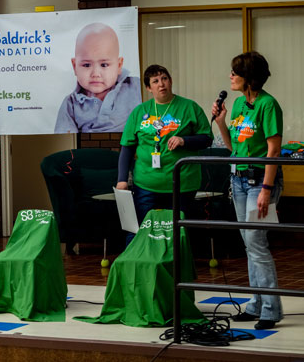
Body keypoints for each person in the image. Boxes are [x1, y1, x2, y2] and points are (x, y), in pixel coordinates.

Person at [212, 51, 283, 330]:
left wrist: (266, 188)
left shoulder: (268, 104)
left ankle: (270, 308)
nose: (230, 76)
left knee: (257, 243)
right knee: (249, 245)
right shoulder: (240, 104)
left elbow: (274, 150)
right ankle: (255, 304)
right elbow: (233, 148)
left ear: (249, 77)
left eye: (235, 72)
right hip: (238, 180)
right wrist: (220, 122)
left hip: (260, 182)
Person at [117, 64, 212, 236]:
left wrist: (185, 140)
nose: (161, 84)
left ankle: (177, 263)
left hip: (182, 185)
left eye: (164, 79)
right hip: (146, 184)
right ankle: (139, 263)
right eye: (155, 81)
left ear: (170, 81)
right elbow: (127, 148)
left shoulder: (189, 107)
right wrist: (122, 180)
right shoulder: (139, 112)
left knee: (177, 232)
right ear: (148, 88)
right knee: (141, 231)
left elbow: (206, 139)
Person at [54, 22, 141, 133]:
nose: (95, 73)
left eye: (104, 65)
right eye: (86, 65)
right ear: (75, 66)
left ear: (119, 65)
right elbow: (65, 135)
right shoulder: (71, 103)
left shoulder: (135, 87)